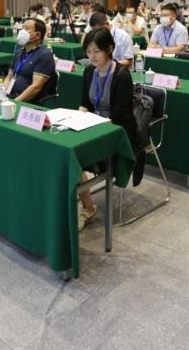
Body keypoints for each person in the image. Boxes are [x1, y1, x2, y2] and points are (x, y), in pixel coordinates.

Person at [77, 28, 144, 229]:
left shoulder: (122, 75)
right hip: (94, 125)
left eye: (97, 51)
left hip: (117, 131)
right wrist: (77, 119)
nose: (92, 56)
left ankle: (87, 206)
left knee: (78, 154)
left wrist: (93, 126)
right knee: (69, 153)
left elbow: (120, 115)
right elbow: (84, 104)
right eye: (88, 52)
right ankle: (86, 203)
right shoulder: (89, 71)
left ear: (109, 49)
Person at [5, 18, 56, 102]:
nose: (22, 31)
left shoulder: (44, 55)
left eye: (27, 28)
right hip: (11, 96)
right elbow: (9, 77)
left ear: (37, 35)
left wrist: (15, 102)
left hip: (28, 102)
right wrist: (4, 96)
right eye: (23, 28)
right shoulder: (19, 52)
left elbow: (36, 87)